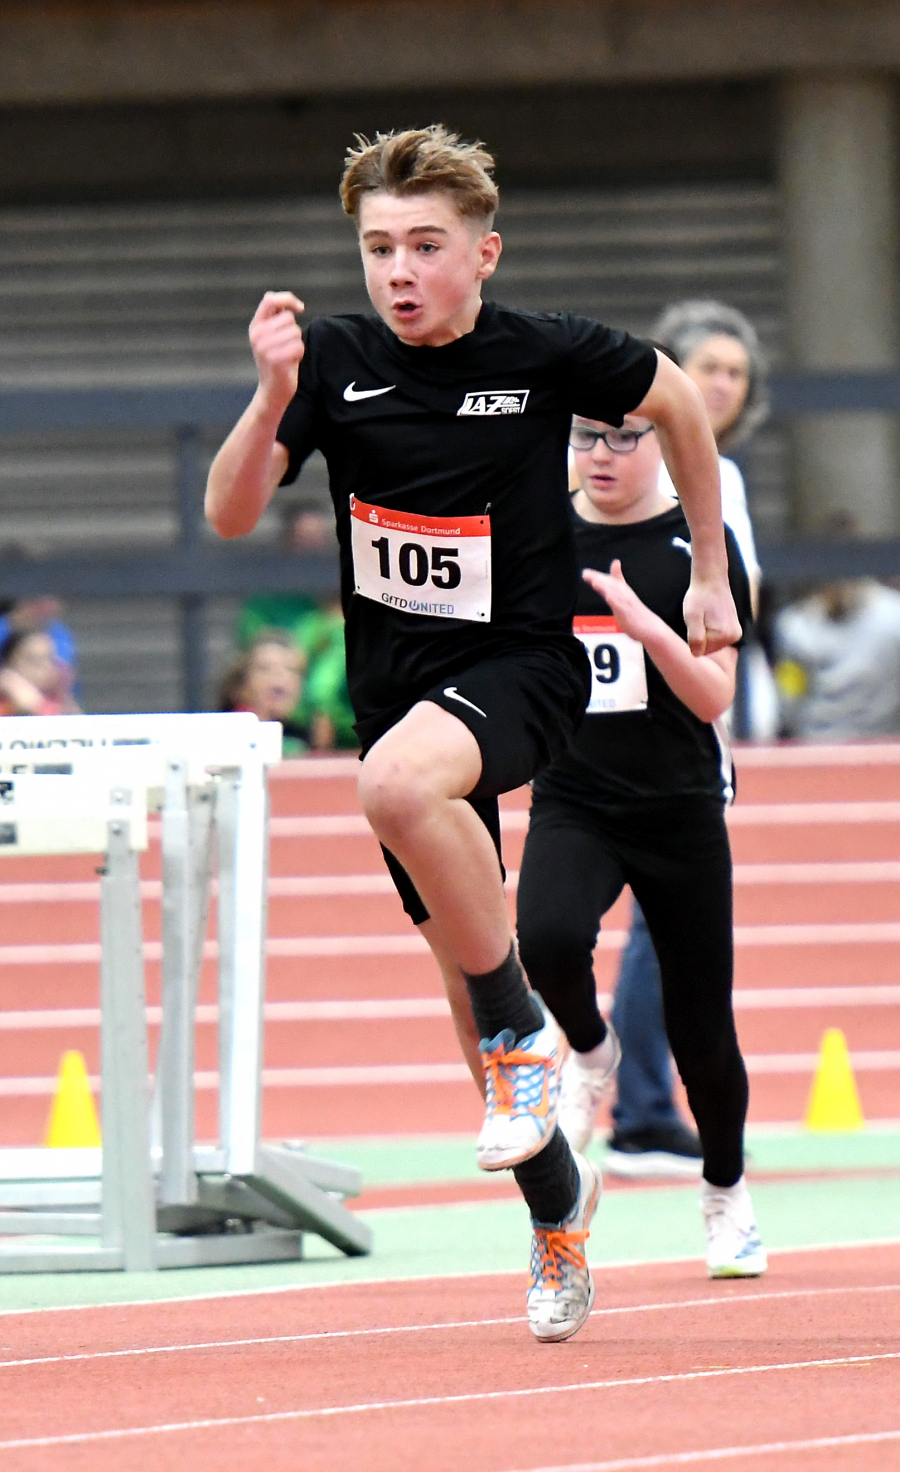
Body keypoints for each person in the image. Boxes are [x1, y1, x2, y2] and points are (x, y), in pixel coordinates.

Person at [205, 125, 740, 1342]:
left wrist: (708, 572)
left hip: (523, 670)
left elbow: (679, 412)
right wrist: (274, 390)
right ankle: (559, 1209)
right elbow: (230, 513)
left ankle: (521, 1025)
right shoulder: (334, 360)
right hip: (405, 689)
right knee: (461, 957)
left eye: (426, 246)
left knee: (395, 791)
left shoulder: (548, 352)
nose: (399, 269)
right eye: (379, 246)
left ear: (483, 255)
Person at [516, 409, 766, 1278]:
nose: (603, 456)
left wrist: (646, 626)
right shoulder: (540, 536)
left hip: (679, 808)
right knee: (542, 940)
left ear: (666, 443)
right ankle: (590, 1047)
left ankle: (727, 1194)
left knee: (702, 1035)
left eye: (626, 436)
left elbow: (713, 699)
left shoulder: (700, 546)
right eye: (586, 437)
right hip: (575, 798)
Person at [604, 300, 774, 1180]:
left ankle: (637, 1101)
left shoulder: (724, 475)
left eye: (736, 373)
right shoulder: (629, 455)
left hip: (690, 698)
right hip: (640, 708)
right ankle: (637, 1108)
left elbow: (732, 601)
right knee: (655, 921)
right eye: (706, 366)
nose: (721, 385)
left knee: (648, 918)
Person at [237, 496, 357, 749]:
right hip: (279, 723)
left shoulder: (345, 602)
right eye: (303, 540)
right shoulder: (265, 603)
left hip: (340, 731)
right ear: (287, 544)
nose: (311, 548)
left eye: (318, 539)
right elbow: (257, 657)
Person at [775, 576, 900, 739]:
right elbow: (789, 700)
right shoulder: (795, 625)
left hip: (883, 748)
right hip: (814, 750)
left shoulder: (894, 618)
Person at [218, 629, 312, 754]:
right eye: (265, 668)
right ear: (240, 686)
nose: (280, 675)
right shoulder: (224, 737)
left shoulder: (302, 738)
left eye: (291, 669)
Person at [0, 628, 80, 716]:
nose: (46, 667)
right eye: (33, 660)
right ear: (7, 664)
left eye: (49, 659)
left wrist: (36, 705)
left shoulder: (62, 704)